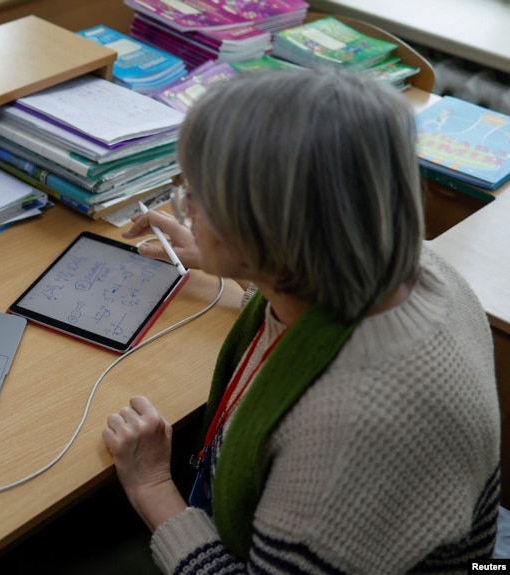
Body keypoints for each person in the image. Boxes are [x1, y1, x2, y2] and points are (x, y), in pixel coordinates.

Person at [103, 70, 500, 573]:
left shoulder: (353, 432)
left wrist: (152, 486)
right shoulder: (411, 264)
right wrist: (237, 260)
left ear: (269, 227)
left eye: (198, 198)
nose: (187, 209)